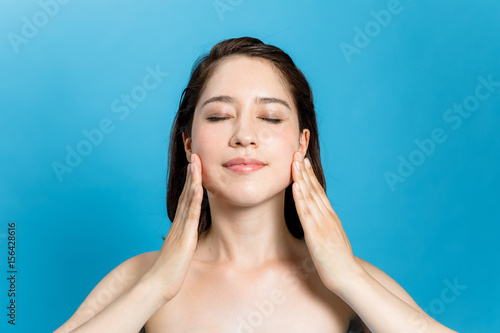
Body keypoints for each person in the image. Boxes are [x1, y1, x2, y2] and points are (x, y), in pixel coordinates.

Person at [54, 37, 457, 333]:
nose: (244, 135)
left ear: (303, 142)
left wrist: (347, 278)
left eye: (270, 117)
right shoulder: (139, 276)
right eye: (218, 116)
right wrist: (157, 287)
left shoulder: (350, 279)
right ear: (188, 141)